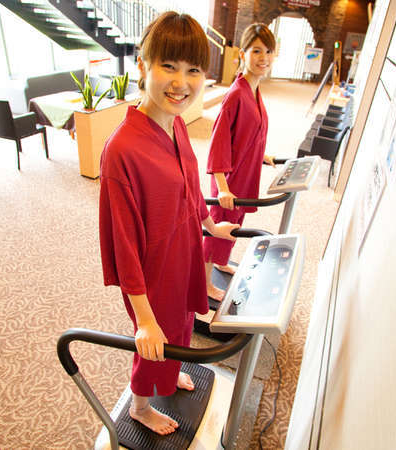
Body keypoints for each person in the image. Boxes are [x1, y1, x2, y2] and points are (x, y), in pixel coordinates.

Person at [98, 11, 240, 436]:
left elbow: (189, 189)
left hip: (185, 254)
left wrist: (210, 226)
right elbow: (122, 243)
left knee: (181, 326)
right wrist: (143, 317)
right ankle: (140, 405)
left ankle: (171, 370)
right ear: (143, 65)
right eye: (169, 66)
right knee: (155, 340)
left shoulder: (176, 124)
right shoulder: (121, 151)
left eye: (193, 70)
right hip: (151, 274)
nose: (181, 82)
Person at [203, 23, 277, 301]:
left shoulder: (254, 90)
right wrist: (222, 188)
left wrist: (261, 154)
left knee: (235, 224)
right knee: (218, 228)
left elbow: (249, 132)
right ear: (243, 54)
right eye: (256, 51)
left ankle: (221, 263)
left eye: (268, 51)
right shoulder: (235, 94)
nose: (263, 57)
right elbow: (219, 143)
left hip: (245, 175)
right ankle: (204, 284)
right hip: (229, 180)